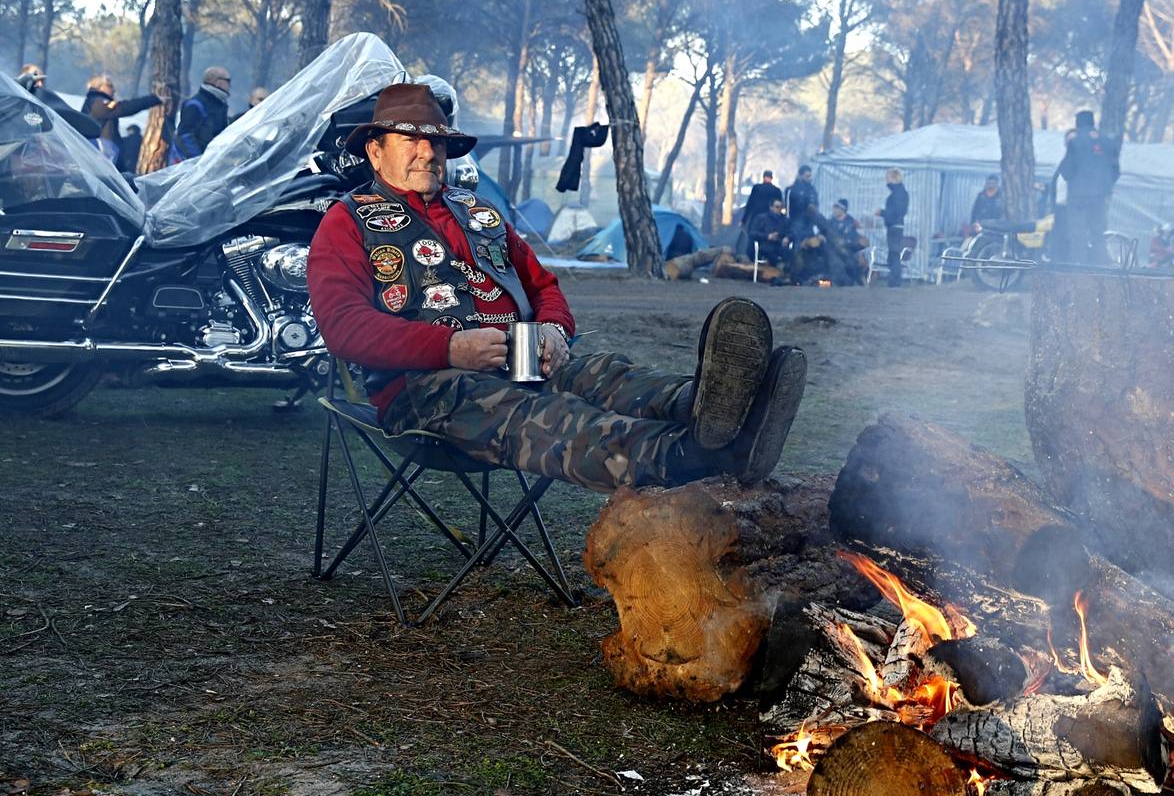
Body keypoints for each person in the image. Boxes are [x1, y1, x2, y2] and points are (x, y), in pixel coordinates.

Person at [306, 83, 807, 491]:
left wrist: (552, 328)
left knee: (605, 374)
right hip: (426, 386)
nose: (426, 152)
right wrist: (450, 346)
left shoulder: (476, 211)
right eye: (409, 140)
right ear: (376, 151)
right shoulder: (346, 222)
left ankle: (721, 405)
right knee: (547, 417)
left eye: (435, 141)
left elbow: (543, 284)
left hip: (523, 354)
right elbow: (344, 329)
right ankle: (692, 454)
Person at [1048, 110, 1121, 263]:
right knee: (1098, 233)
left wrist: (1075, 182)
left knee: (1078, 233)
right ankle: (1099, 266)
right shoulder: (1108, 142)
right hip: (1100, 195)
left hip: (1078, 195)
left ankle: (1079, 267)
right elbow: (1115, 171)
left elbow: (1067, 170)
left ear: (1078, 123)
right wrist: (1104, 187)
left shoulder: (1075, 141)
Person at [81, 75, 161, 167]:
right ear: (99, 87)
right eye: (110, 86)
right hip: (102, 155)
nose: (114, 90)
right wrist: (152, 99)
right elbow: (124, 108)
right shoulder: (98, 102)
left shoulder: (94, 102)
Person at [17, 65, 101, 139]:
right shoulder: (15, 110)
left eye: (41, 81)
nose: (39, 85)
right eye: (34, 79)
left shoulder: (49, 112)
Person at [173, 66, 232, 160]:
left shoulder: (220, 105)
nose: (230, 85)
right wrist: (199, 160)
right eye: (228, 81)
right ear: (217, 82)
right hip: (195, 166)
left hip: (213, 163)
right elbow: (185, 135)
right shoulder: (195, 105)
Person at [786, 198, 840, 285]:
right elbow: (797, 234)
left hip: (818, 249)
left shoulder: (819, 219)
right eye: (811, 207)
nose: (814, 209)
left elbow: (826, 230)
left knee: (831, 253)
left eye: (815, 206)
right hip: (802, 248)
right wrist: (807, 240)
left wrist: (822, 237)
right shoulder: (800, 220)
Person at [824, 199, 869, 286]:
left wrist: (861, 255)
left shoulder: (852, 222)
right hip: (833, 252)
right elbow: (824, 235)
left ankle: (862, 284)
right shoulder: (830, 222)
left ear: (842, 209)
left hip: (849, 251)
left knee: (854, 263)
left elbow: (861, 240)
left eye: (836, 208)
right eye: (834, 208)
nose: (834, 210)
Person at [882, 168, 910, 287]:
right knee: (894, 253)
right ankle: (894, 280)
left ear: (894, 178)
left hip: (895, 226)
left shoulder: (897, 193)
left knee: (894, 253)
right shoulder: (901, 192)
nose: (886, 182)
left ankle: (895, 281)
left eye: (887, 179)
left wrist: (882, 213)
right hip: (896, 226)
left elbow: (896, 211)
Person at [747, 195, 790, 266]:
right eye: (777, 207)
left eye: (781, 207)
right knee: (771, 254)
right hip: (764, 246)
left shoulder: (785, 220)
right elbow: (752, 233)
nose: (779, 209)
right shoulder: (761, 218)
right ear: (771, 207)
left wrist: (787, 237)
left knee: (791, 254)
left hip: (779, 246)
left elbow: (790, 232)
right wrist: (767, 236)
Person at [740, 171, 784, 238]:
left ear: (764, 177)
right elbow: (780, 206)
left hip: (756, 217)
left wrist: (744, 220)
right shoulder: (776, 190)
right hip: (771, 220)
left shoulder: (757, 188)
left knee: (753, 236)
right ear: (771, 178)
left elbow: (750, 205)